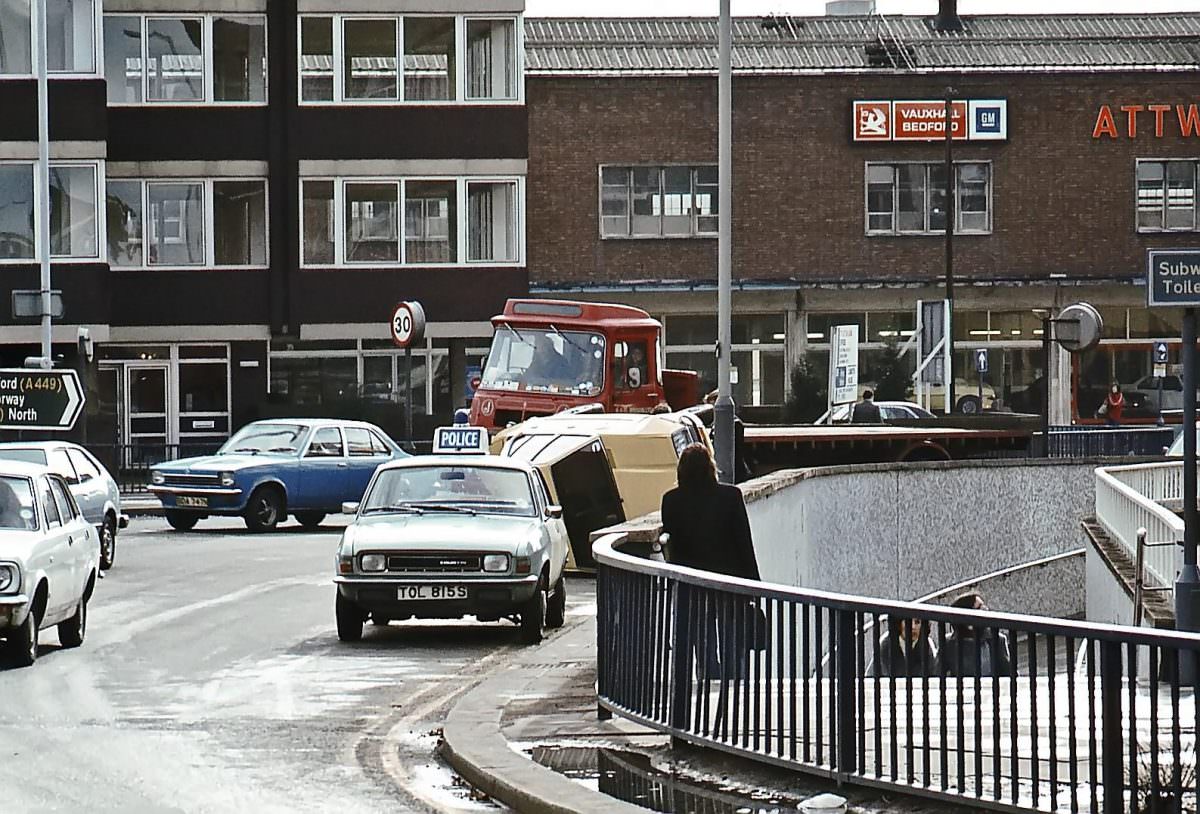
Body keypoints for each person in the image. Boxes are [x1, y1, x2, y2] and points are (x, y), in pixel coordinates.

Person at [662, 444, 760, 711]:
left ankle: (709, 692)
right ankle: (736, 698)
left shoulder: (671, 501)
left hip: (693, 584)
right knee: (733, 644)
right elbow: (744, 543)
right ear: (710, 467)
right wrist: (755, 585)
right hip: (730, 582)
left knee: (703, 644)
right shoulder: (730, 496)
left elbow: (674, 547)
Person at [939, 591, 1012, 678]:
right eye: (979, 607)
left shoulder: (997, 639)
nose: (986, 609)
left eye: (984, 606)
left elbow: (1009, 673)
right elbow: (937, 674)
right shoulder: (949, 643)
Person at [867, 616, 938, 678]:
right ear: (899, 624)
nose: (913, 627)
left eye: (917, 622)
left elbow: (933, 676)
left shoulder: (927, 645)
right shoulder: (886, 643)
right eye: (908, 622)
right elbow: (871, 676)